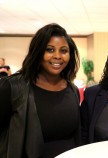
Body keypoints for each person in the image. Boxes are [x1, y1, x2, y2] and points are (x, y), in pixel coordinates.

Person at [0, 23, 81, 158]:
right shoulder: (12, 86)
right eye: (49, 50)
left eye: (63, 51)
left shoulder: (73, 90)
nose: (57, 56)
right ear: (38, 52)